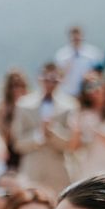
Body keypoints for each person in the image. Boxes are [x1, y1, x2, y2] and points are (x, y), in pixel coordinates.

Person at [12, 62, 77, 194]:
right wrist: (38, 135)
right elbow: (17, 143)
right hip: (32, 170)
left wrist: (52, 132)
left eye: (54, 79)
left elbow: (72, 142)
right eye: (46, 78)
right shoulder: (24, 104)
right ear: (39, 78)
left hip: (59, 171)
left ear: (61, 80)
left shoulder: (70, 105)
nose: (50, 83)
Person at [0, 69, 29, 170]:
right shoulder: (1, 109)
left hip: (27, 152)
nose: (17, 89)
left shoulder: (31, 106)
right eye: (13, 85)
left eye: (20, 85)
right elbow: (1, 135)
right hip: (10, 153)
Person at [54, 26, 101, 97]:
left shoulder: (92, 54)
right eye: (73, 38)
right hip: (67, 93)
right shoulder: (61, 55)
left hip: (86, 94)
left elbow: (98, 74)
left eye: (78, 37)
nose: (76, 40)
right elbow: (58, 76)